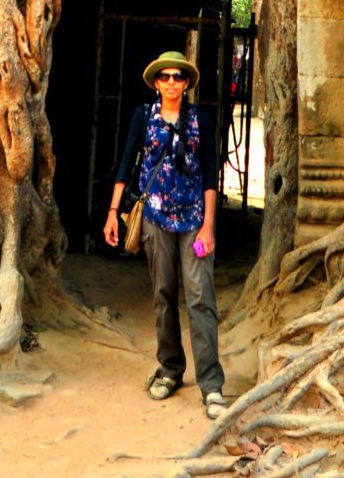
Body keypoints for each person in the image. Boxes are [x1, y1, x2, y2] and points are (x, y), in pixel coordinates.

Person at [103, 51, 227, 420]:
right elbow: (126, 165)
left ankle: (211, 384)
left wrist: (209, 225)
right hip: (156, 219)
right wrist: (113, 213)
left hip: (193, 221)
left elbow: (209, 175)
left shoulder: (200, 119)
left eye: (178, 77)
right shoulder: (143, 117)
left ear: (187, 83)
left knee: (201, 297)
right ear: (157, 82)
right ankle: (170, 368)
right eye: (165, 77)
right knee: (163, 295)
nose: (172, 82)